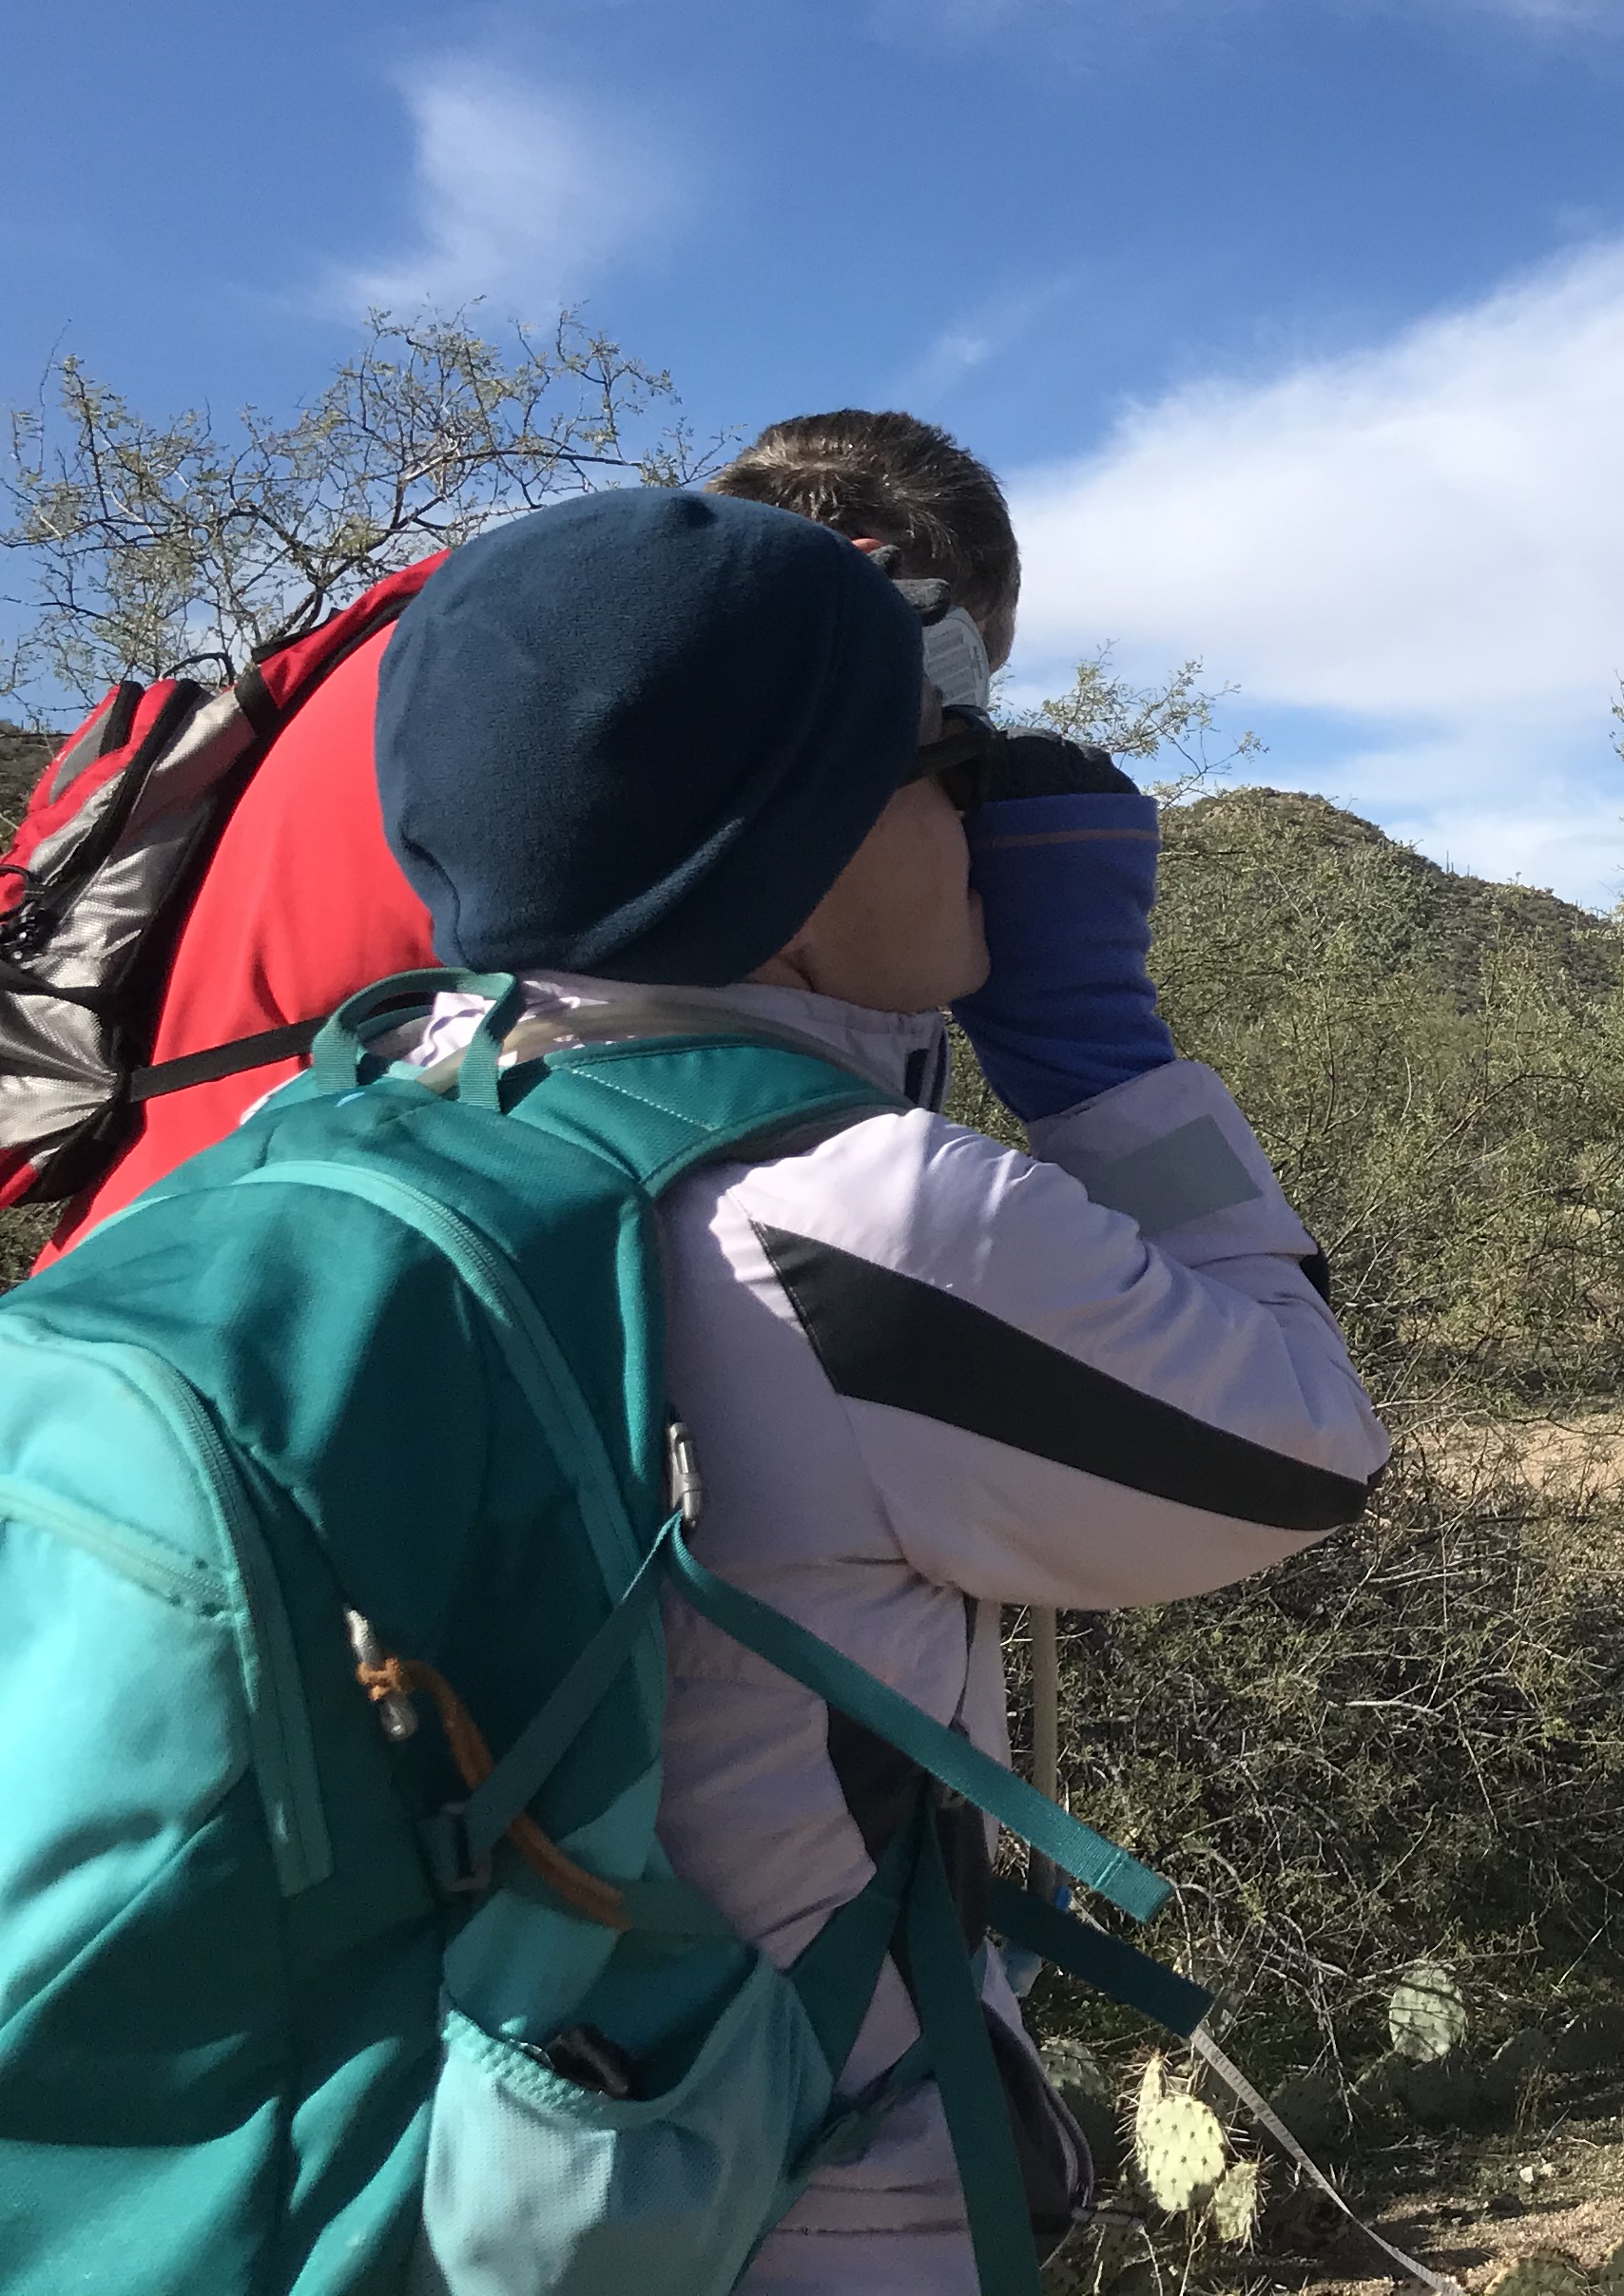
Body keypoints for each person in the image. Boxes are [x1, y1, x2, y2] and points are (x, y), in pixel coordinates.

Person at [372, 486, 1388, 2289]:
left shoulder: (379, 1094)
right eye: (943, 780)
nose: (975, 835)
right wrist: (1102, 1060)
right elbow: (1305, 1445)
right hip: (790, 2182)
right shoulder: (856, 1217)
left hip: (440, 2146)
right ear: (802, 854)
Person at [43, 410, 1021, 1260]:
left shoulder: (481, 651)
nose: (952, 768)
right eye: (948, 709)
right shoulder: (680, 749)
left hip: (160, 1261)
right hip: (339, 1310)